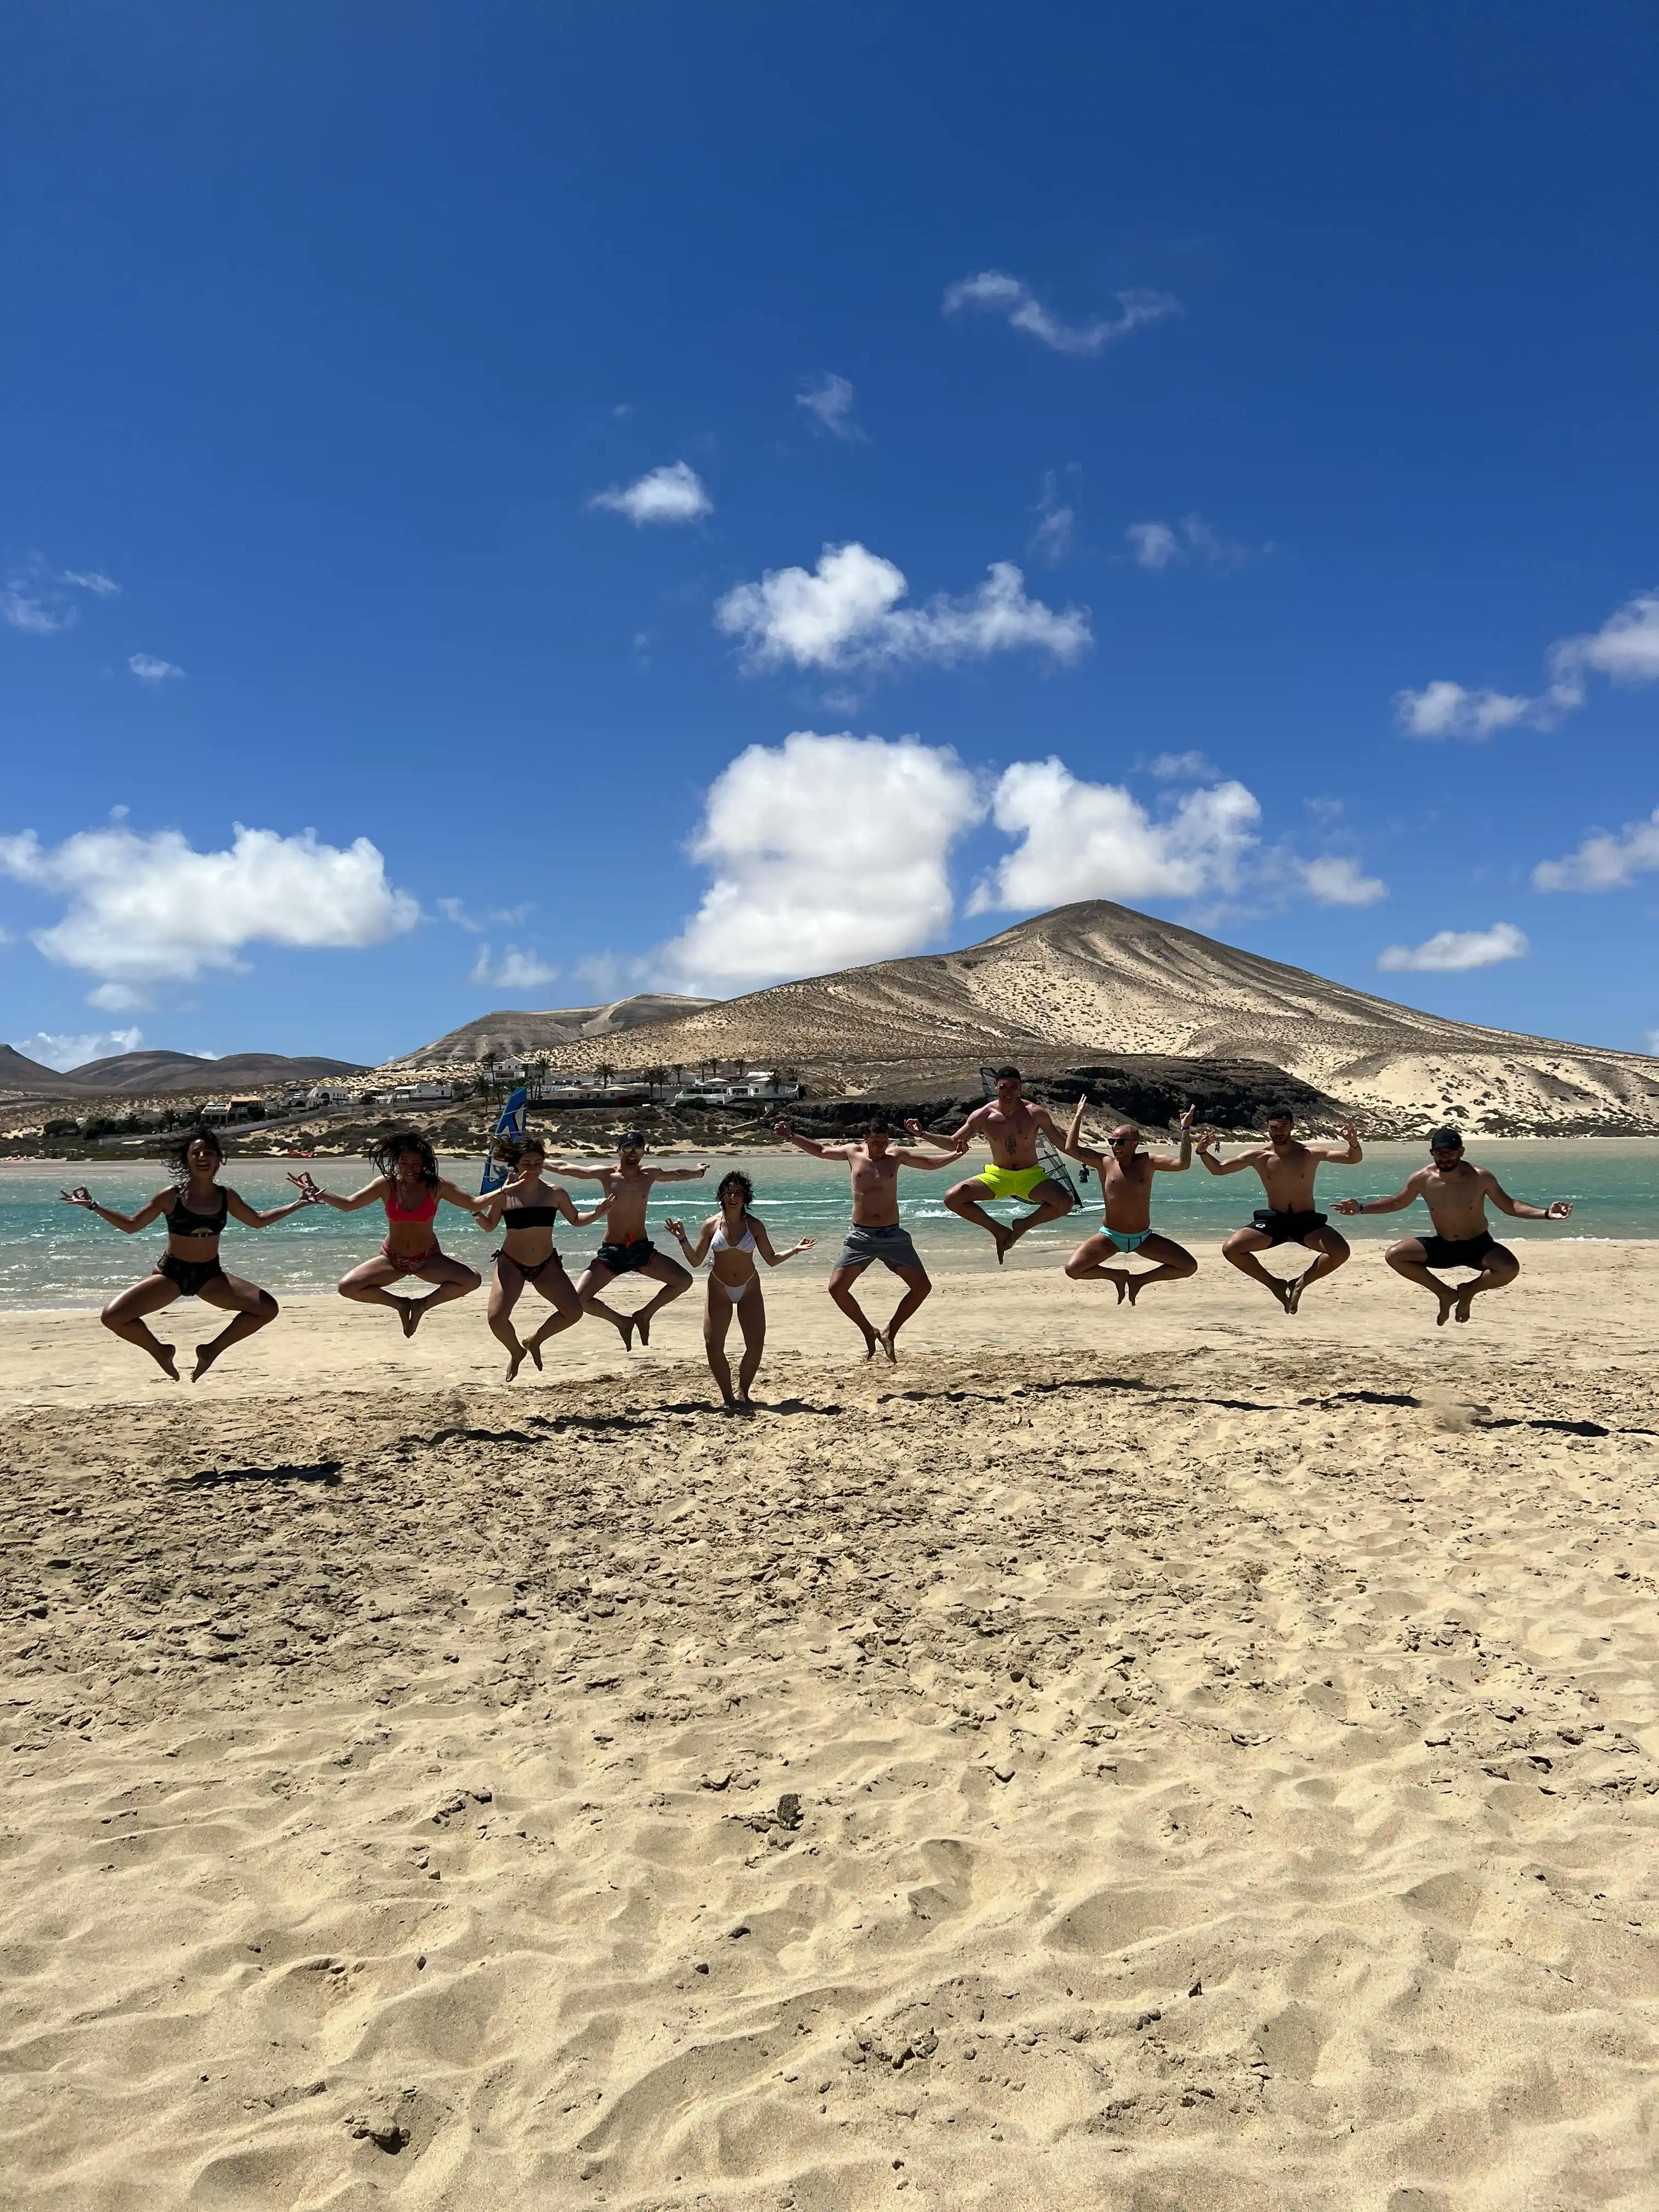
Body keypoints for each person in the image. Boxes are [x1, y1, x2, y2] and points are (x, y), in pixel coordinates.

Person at [60, 1124, 321, 1381]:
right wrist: (93, 1206)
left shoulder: (226, 1196)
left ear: (218, 1159)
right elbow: (132, 1226)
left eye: (208, 1152)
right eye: (195, 1153)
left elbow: (258, 1220)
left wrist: (299, 1203)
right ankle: (160, 1351)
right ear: (186, 1159)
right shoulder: (170, 1196)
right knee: (113, 1317)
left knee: (268, 1309)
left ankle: (211, 1350)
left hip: (210, 1275)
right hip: (172, 1274)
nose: (201, 1157)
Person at [1335, 1125, 1572, 1324]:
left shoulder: (1480, 1177)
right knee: (1395, 1255)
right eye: (1439, 1153)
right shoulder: (1422, 1179)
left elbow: (1509, 1206)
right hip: (1444, 1245)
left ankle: (1469, 1290)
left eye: (1450, 1152)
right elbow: (1398, 1202)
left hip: (1478, 1246)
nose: (1445, 1158)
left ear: (1461, 1151)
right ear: (1432, 1153)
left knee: (1509, 1269)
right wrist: (1362, 1208)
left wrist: (1546, 1214)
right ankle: (1445, 1293)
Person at [775, 1114, 962, 1361]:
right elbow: (821, 1150)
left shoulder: (897, 1156)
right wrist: (791, 1136)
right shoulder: (853, 1153)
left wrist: (956, 1155)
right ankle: (868, 1329)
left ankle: (889, 1333)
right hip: (861, 1236)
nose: (880, 1146)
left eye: (884, 1141)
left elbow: (929, 1163)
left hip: (893, 1234)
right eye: (875, 1141)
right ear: (866, 1139)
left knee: (922, 1287)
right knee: (837, 1288)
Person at [527, 1131, 709, 1353]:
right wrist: (538, 1163)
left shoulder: (649, 1174)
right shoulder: (607, 1175)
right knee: (579, 1301)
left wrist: (698, 1173)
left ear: (644, 1152)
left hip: (641, 1249)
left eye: (638, 1149)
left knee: (683, 1281)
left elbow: (677, 1173)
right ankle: (622, 1322)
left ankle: (644, 1314)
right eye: (628, 1149)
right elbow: (567, 1168)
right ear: (619, 1151)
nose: (633, 1154)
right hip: (613, 1252)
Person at [295, 1131, 488, 1336]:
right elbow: (349, 1205)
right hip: (392, 1258)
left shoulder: (437, 1186)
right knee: (348, 1287)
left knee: (472, 1280)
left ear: (425, 1163)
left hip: (428, 1258)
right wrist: (319, 1192)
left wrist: (504, 1191)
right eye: (404, 1163)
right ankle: (402, 1305)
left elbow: (473, 1203)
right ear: (397, 1163)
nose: (410, 1169)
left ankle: (423, 1305)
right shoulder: (386, 1184)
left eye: (416, 1163)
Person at [663, 1170, 816, 1412]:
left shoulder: (754, 1225)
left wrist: (795, 1250)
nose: (733, 1197)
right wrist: (682, 1239)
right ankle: (728, 1398)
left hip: (749, 1289)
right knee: (713, 1345)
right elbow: (695, 1261)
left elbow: (772, 1259)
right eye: (729, 1192)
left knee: (755, 1344)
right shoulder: (711, 1225)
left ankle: (743, 1391)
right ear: (722, 1195)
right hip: (719, 1289)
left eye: (738, 1193)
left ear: (746, 1197)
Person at [1195, 1109, 1363, 1313]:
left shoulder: (1309, 1154)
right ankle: (1274, 1284)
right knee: (1231, 1248)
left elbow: (1352, 1158)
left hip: (1306, 1221)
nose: (1279, 1132)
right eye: (1274, 1127)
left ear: (1292, 1127)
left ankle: (1300, 1283)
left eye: (1284, 1127)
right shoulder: (1258, 1156)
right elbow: (1219, 1169)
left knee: (1340, 1252)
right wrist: (1203, 1152)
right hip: (1275, 1221)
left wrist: (1353, 1144)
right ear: (1267, 1128)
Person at [472, 1133, 611, 1380]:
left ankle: (534, 1340)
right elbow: (490, 1226)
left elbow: (577, 1221)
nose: (534, 1168)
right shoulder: (504, 1195)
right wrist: (477, 1214)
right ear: (516, 1164)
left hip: (546, 1264)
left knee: (573, 1312)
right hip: (511, 1264)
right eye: (528, 1163)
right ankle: (516, 1352)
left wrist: (598, 1213)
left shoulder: (555, 1193)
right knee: (496, 1318)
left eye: (538, 1163)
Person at [1059, 1100, 1198, 1302]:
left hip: (1143, 1238)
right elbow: (1071, 1149)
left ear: (1135, 1144)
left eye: (1121, 1142)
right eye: (1112, 1141)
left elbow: (1182, 1164)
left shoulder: (1148, 1162)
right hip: (1110, 1237)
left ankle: (1139, 1280)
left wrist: (1185, 1128)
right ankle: (1117, 1276)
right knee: (1073, 1269)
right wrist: (1079, 1115)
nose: (1115, 1146)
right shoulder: (1104, 1163)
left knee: (1188, 1267)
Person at [938, 1066, 1076, 1263]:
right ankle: (999, 1231)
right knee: (952, 1198)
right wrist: (922, 1135)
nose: (1008, 1091)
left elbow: (1064, 1145)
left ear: (1020, 1088)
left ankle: (1022, 1225)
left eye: (1014, 1086)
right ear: (996, 1086)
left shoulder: (1035, 1113)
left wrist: (1097, 1158)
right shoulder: (982, 1115)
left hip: (1031, 1176)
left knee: (1065, 1203)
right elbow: (953, 1143)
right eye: (1004, 1086)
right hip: (998, 1176)